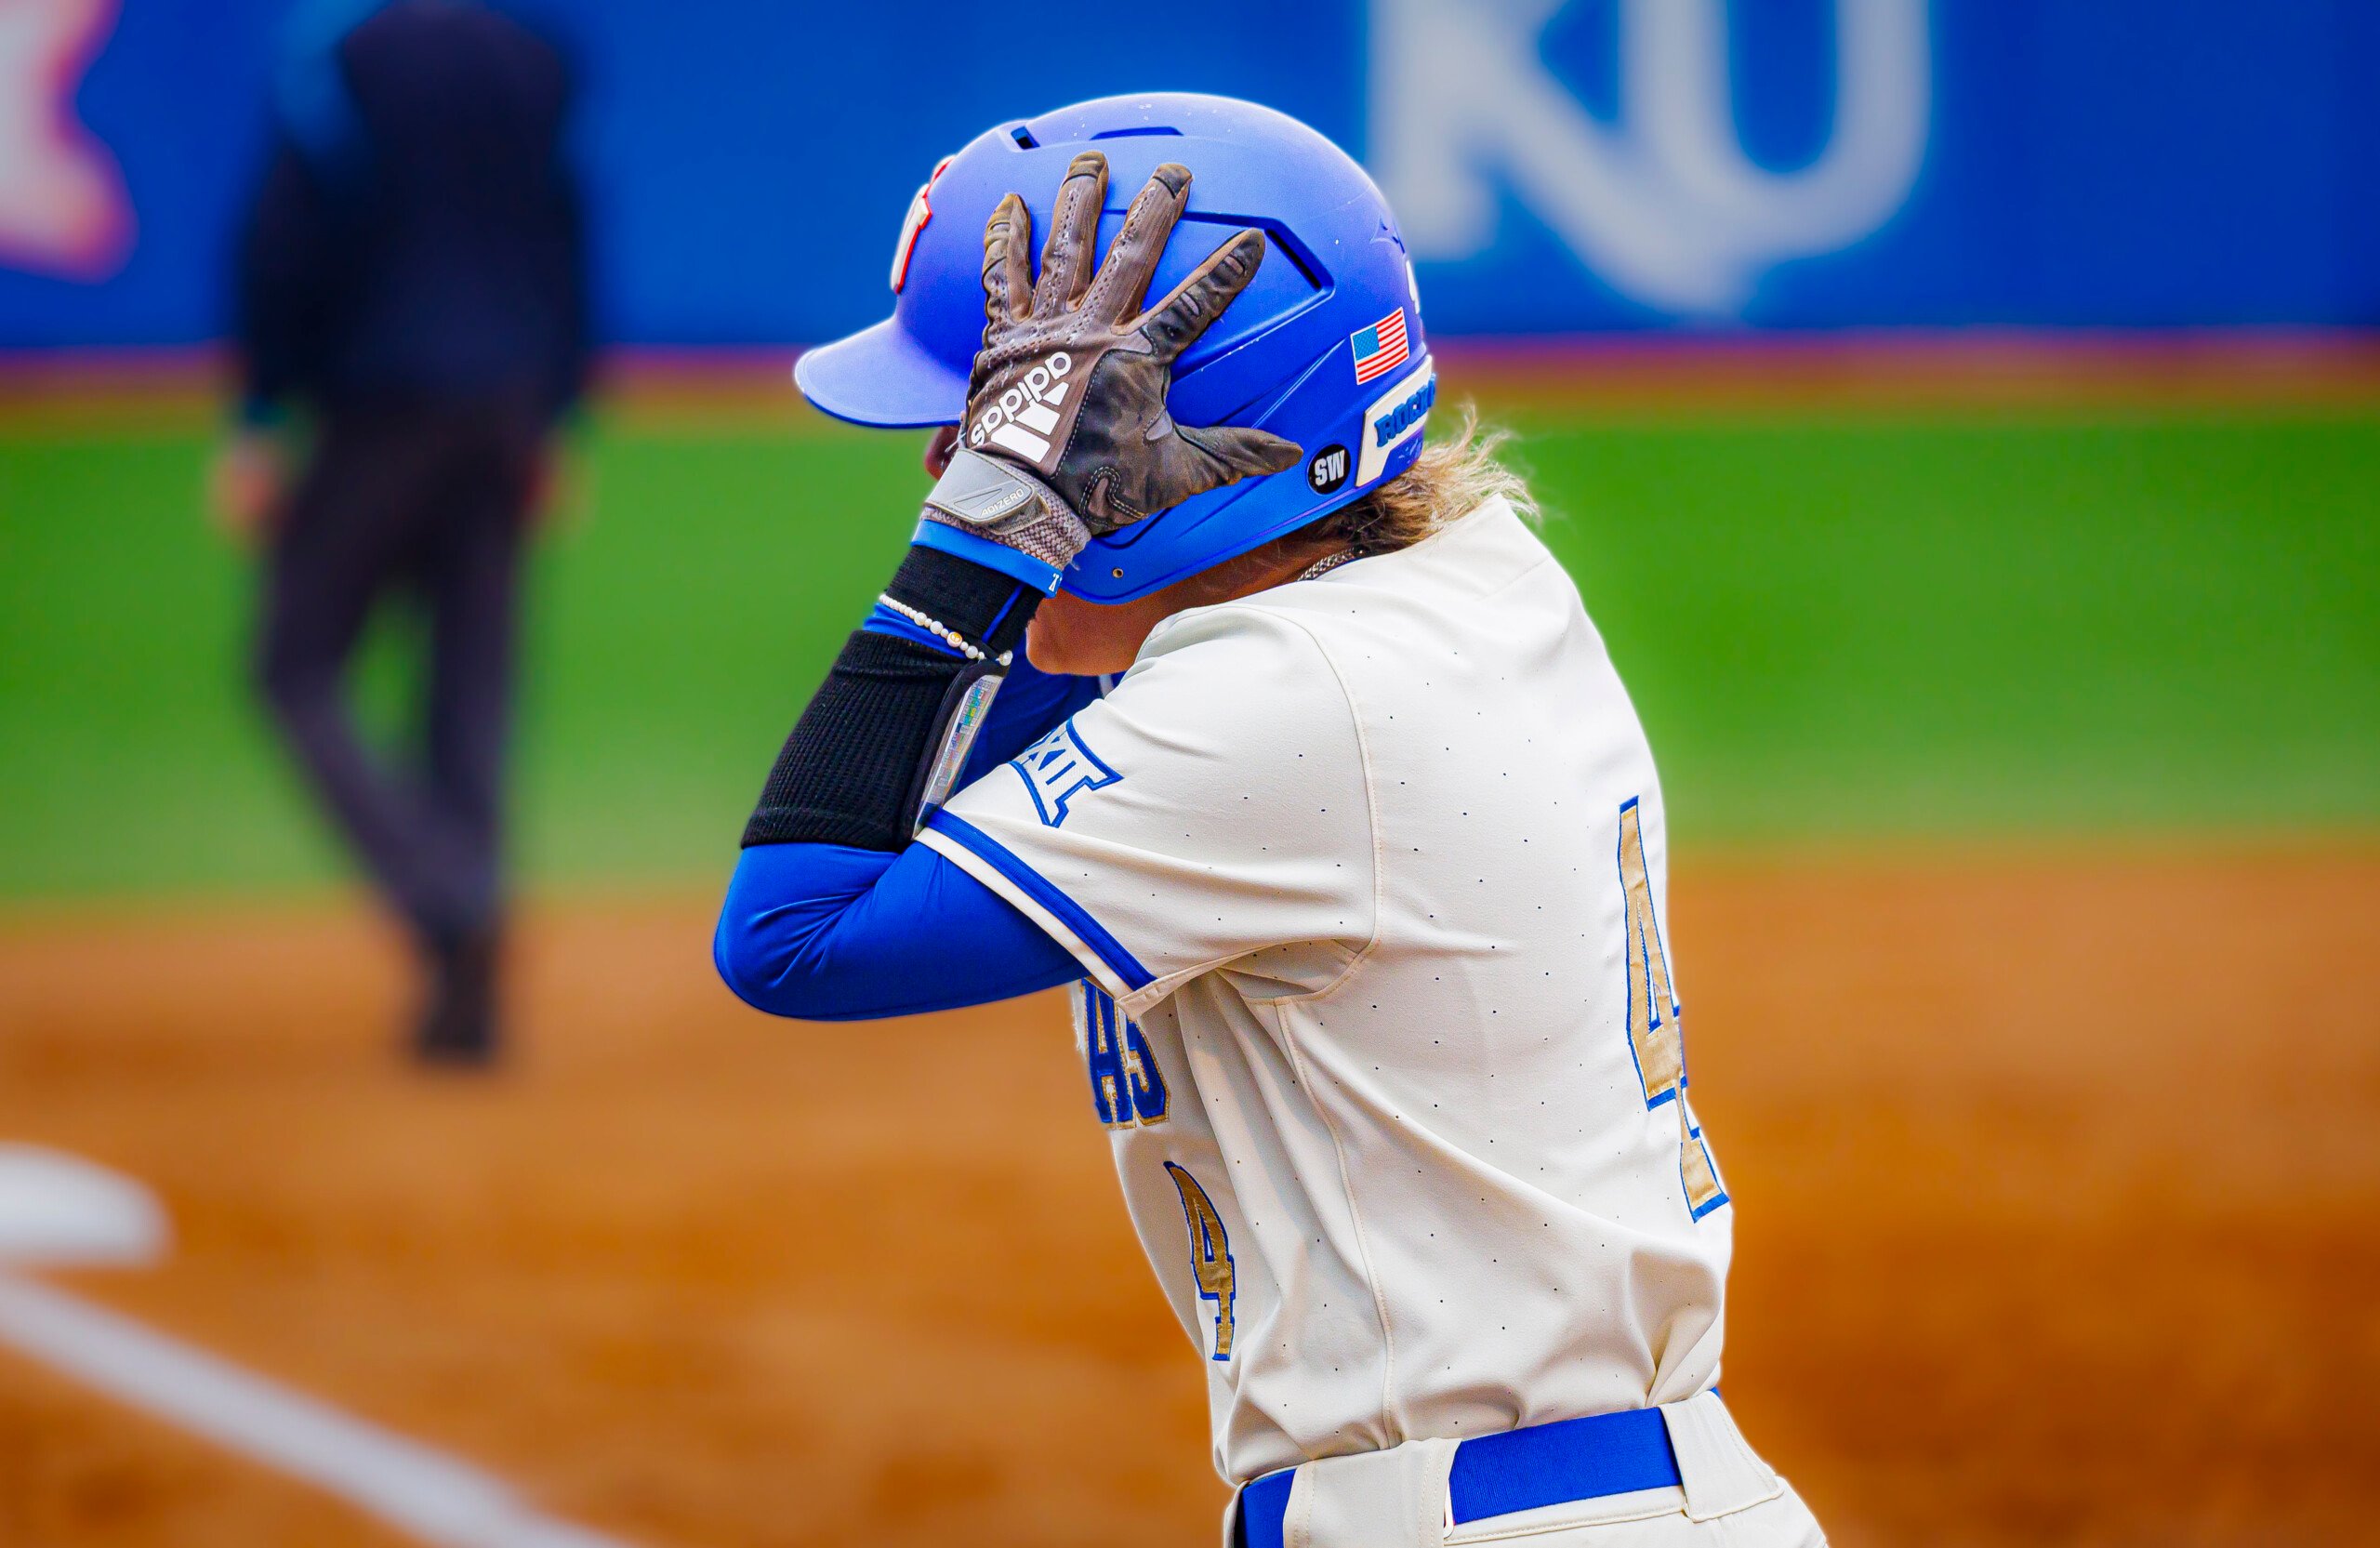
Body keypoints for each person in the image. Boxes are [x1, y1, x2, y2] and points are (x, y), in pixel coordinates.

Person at [715, 95, 1827, 1548]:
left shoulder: (1284, 702)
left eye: (993, 428)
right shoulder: (1462, 587)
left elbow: (792, 936)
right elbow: (1019, 738)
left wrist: (982, 547)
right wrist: (1057, 533)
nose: (950, 473)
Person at [210, 0, 587, 1065]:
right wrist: (557, 414)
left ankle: (446, 898)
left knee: (293, 666)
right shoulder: (533, 56)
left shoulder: (334, 53)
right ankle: (465, 974)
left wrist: (260, 416)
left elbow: (284, 240)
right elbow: (566, 233)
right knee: (467, 690)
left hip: (377, 405)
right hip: (504, 406)